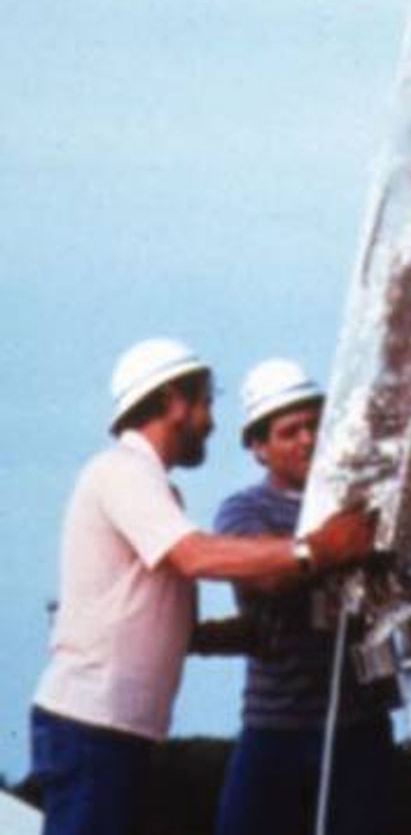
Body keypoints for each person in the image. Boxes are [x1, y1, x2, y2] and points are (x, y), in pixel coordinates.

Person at [29, 338, 375, 835]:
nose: (211, 421)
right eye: (206, 403)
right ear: (172, 400)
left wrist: (252, 634)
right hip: (93, 730)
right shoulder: (121, 473)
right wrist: (317, 550)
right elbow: (194, 556)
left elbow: (174, 628)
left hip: (108, 730)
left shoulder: (152, 486)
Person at [213, 358, 397, 835]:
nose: (307, 440)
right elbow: (262, 577)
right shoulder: (244, 510)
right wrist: (332, 547)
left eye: (315, 425)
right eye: (289, 431)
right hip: (277, 722)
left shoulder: (370, 501)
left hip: (360, 722)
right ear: (258, 447)